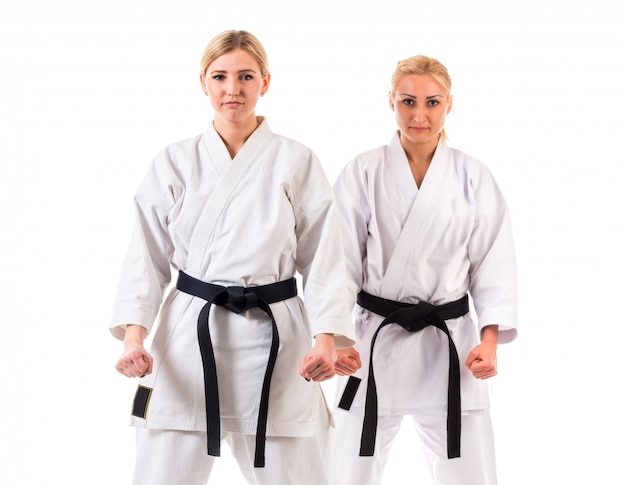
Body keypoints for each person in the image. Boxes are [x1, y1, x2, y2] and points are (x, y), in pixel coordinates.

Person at [110, 30, 360, 485]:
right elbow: (144, 258)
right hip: (190, 336)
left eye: (246, 76)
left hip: (277, 341)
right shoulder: (173, 162)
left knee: (297, 471)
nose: (233, 89)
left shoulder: (295, 160)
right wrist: (133, 339)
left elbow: (324, 258)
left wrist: (326, 340)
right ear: (202, 82)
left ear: (265, 81)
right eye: (220, 76)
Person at [328, 55, 518, 484]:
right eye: (408, 101)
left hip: (450, 346)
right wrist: (338, 341)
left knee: (472, 473)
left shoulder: (473, 176)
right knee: (348, 471)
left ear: (449, 104)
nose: (419, 114)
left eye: (432, 102)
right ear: (390, 102)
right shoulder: (363, 171)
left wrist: (489, 344)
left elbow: (494, 266)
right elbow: (338, 264)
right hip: (372, 344)